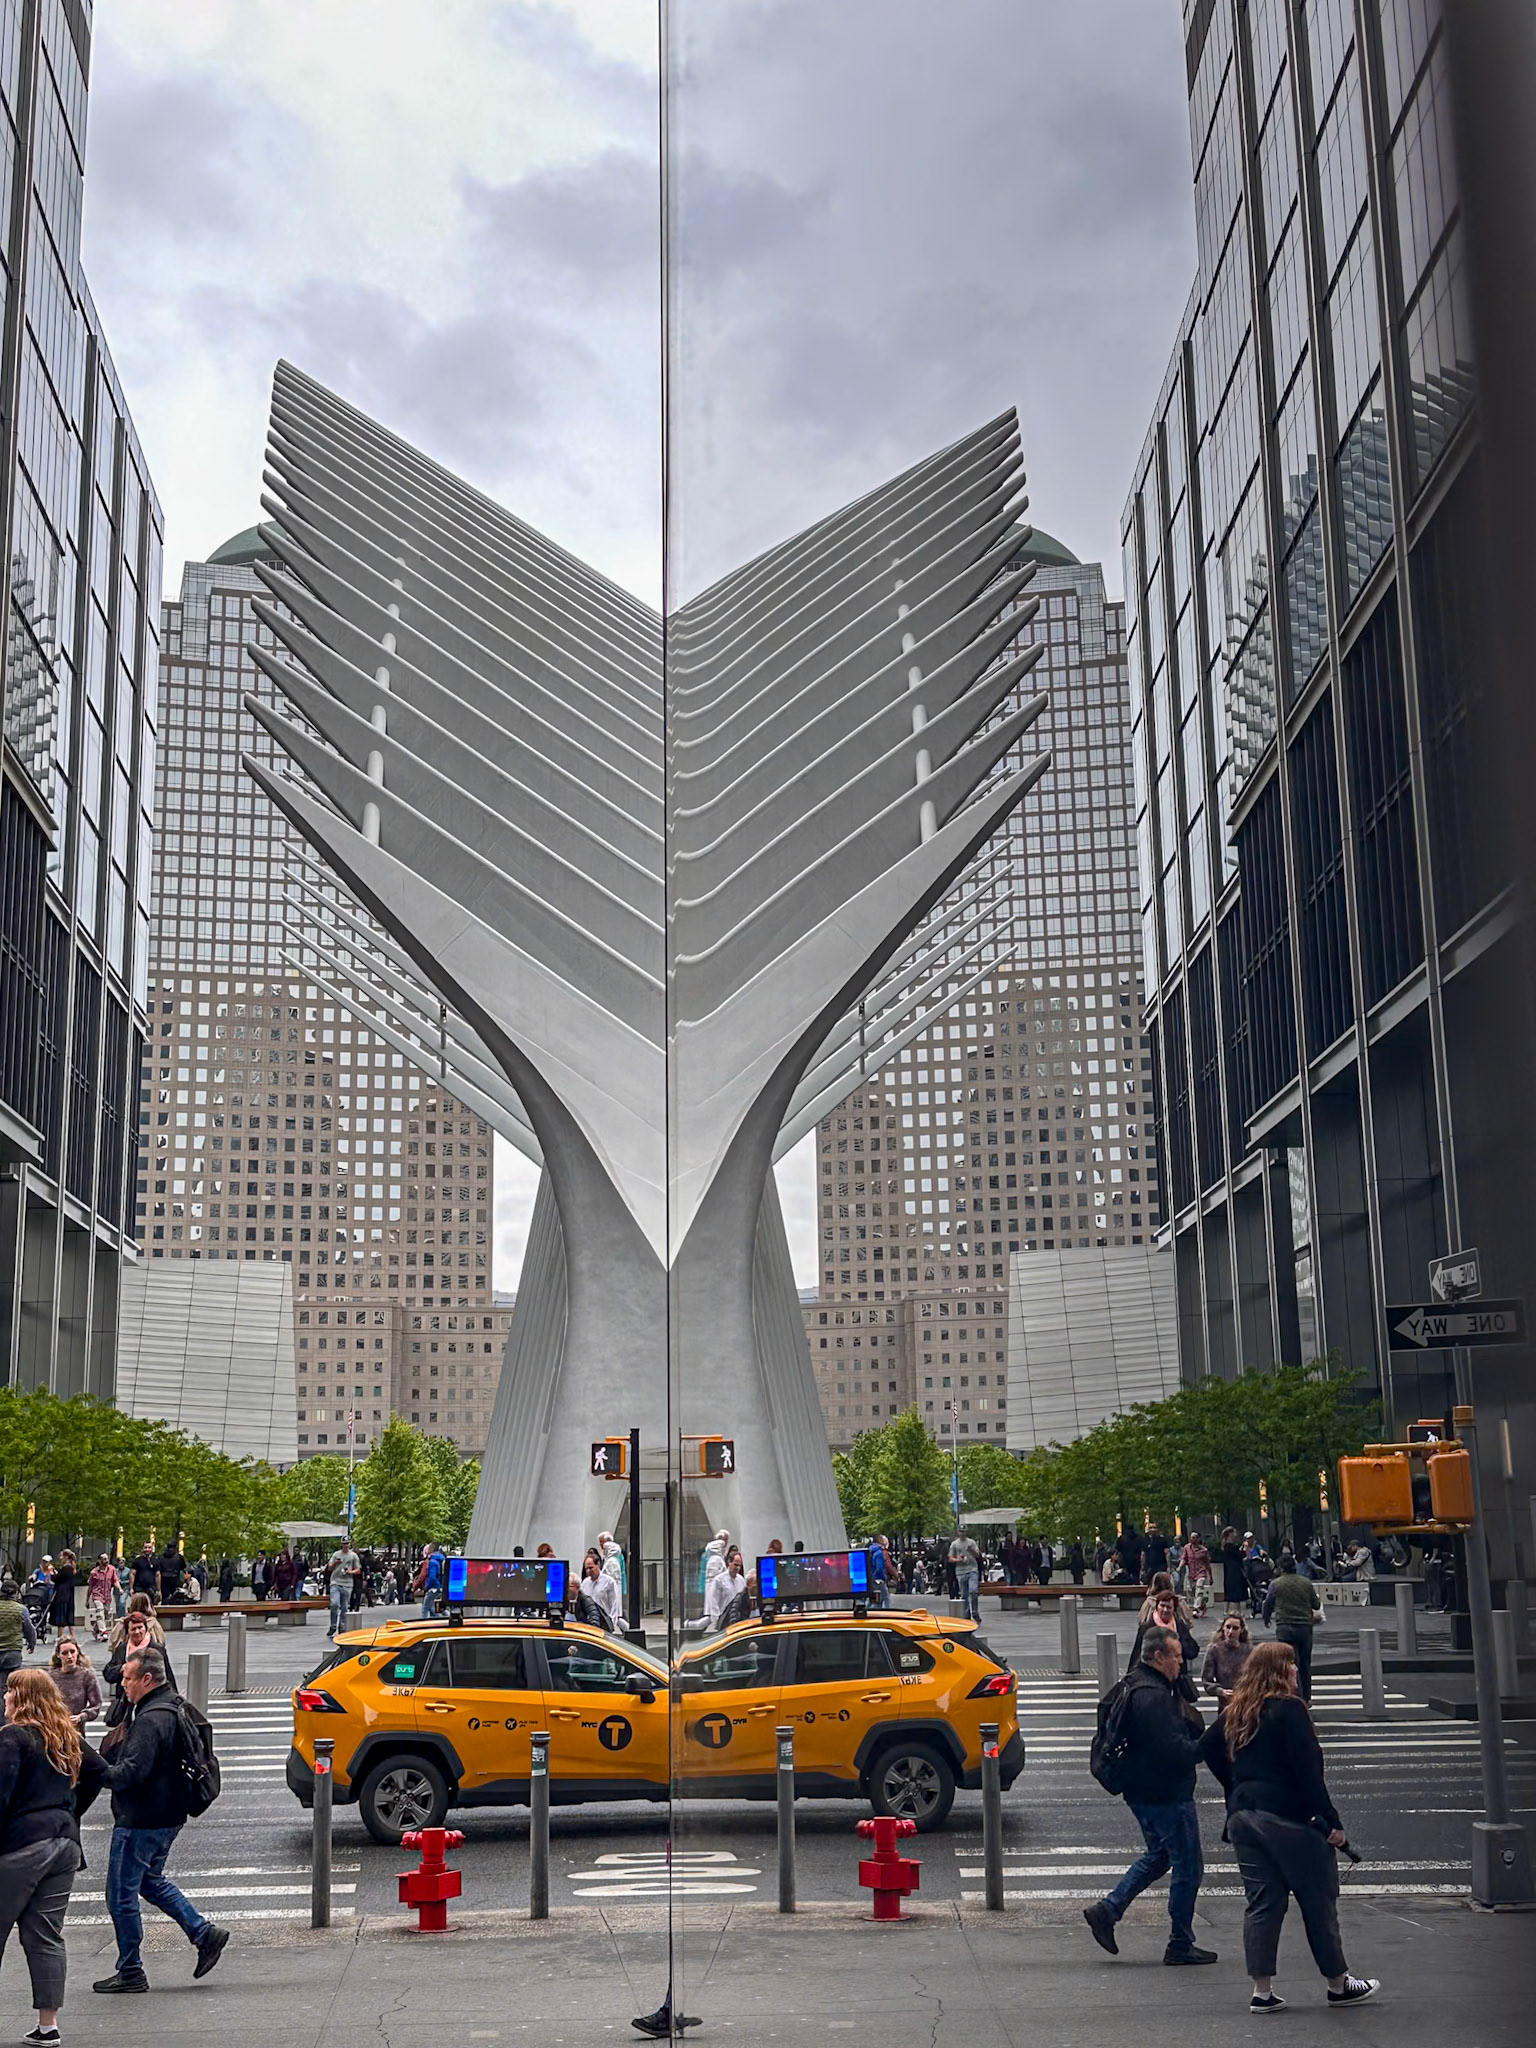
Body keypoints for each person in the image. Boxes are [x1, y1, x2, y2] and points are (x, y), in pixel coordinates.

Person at [1200, 1641, 1379, 2011]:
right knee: (1318, 1900)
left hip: (1244, 1818)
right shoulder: (1291, 1710)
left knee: (1263, 1902)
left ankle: (1262, 1991)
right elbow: (1309, 1773)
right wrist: (1332, 1823)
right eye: (1291, 1664)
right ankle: (1338, 1983)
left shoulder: (1238, 1709)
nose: (1296, 1670)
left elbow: (1205, 1747)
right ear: (1279, 1670)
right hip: (1289, 1820)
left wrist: (1235, 1784)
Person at [92, 1645, 228, 1995]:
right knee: (150, 1881)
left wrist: (93, 1767)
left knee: (120, 1896)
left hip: (142, 1818)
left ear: (147, 1679)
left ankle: (131, 1971)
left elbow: (129, 1774)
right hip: (168, 1814)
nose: (122, 1684)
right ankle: (204, 1933)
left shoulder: (152, 1720)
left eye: (127, 1678)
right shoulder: (172, 1705)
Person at [1083, 1624, 1215, 1966]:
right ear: (1158, 1657)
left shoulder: (1135, 1683)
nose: (1181, 1663)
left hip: (1142, 1790)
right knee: (1188, 1866)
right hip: (1164, 1793)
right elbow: (1178, 1752)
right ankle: (1180, 1943)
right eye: (1176, 1657)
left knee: (1160, 1855)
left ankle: (1107, 1910)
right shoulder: (1153, 1698)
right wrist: (1213, 1738)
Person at [0, 1665, 113, 2044]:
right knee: (45, 1935)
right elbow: (100, 1772)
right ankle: (47, 2027)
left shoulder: (13, 1737)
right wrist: (71, 1810)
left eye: (9, 1691)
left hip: (21, 1845)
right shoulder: (65, 1736)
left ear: (22, 1698)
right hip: (64, 1843)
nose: (5, 1697)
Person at [1262, 1551, 1324, 1702]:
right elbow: (1316, 1604)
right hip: (1304, 1627)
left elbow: (1267, 1603)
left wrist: (1266, 1619)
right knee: (1304, 1663)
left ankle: (1294, 1695)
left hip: (1285, 1627)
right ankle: (1307, 1698)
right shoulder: (1306, 1583)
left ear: (1280, 1568)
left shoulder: (1276, 1584)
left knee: (1288, 1663)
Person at [1130, 1584, 1200, 1694]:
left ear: (1174, 1609)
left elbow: (1193, 1651)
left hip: (1176, 1681)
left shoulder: (1179, 1626)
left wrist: (1177, 1642)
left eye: (1169, 1607)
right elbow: (1137, 1654)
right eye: (1162, 1606)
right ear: (1157, 1607)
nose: (1165, 1610)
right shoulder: (1147, 1627)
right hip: (1153, 1680)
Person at [48, 1640, 100, 1730]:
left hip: (76, 1728)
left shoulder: (87, 1675)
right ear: (58, 1655)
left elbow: (96, 1705)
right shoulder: (50, 1677)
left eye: (72, 1652)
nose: (69, 1656)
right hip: (54, 1728)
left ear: (78, 1652)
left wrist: (81, 1717)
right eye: (64, 1653)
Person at [1201, 1612, 1253, 1697]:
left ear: (1241, 1630)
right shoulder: (1214, 1650)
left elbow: (1256, 1676)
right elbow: (1206, 1680)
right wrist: (1220, 1691)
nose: (1230, 1631)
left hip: (1245, 1698)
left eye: (1235, 1628)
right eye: (1228, 1627)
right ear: (1223, 1627)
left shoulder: (1249, 1651)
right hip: (1225, 1700)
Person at [0, 1580, 37, 1690]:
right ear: (16, 1593)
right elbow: (29, 1630)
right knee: (14, 1686)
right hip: (13, 1652)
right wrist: (31, 1644)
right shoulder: (21, 1609)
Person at [704, 1546, 749, 1631]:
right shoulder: (719, 1580)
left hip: (738, 1620)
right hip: (724, 1620)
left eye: (739, 1565)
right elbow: (714, 1603)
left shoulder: (741, 1580)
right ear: (729, 1563)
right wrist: (717, 1622)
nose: (738, 1568)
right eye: (735, 1565)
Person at [325, 1538, 362, 1639]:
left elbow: (358, 1569)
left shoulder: (353, 1556)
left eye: (347, 1543)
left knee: (345, 1606)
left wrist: (350, 1572)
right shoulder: (336, 1554)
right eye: (344, 1543)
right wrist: (335, 1563)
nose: (346, 1545)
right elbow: (329, 1567)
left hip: (347, 1584)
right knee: (334, 1603)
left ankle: (342, 1626)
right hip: (335, 1582)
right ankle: (333, 1626)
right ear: (341, 1544)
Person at [578, 1550, 622, 1632]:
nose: (588, 1571)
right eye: (586, 1568)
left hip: (604, 1623)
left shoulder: (609, 1582)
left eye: (591, 1567)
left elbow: (614, 1606)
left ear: (598, 1564)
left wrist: (611, 1625)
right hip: (589, 1623)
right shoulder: (585, 1583)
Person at [948, 1530, 981, 1622]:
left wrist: (971, 1550)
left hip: (972, 1569)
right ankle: (966, 1614)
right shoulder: (954, 1544)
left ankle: (975, 1612)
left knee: (973, 1591)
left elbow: (978, 1555)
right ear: (958, 1532)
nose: (962, 1533)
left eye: (964, 1531)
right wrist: (958, 1559)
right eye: (960, 1531)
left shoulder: (971, 1542)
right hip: (960, 1571)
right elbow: (950, 1558)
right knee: (964, 1594)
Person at [85, 1555, 117, 1642]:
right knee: (100, 1612)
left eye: (107, 1558)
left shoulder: (112, 1569)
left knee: (105, 1614)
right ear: (99, 1560)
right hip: (97, 1595)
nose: (107, 1560)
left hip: (107, 1596)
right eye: (104, 1559)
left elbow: (115, 1580)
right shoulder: (94, 1572)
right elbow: (90, 1587)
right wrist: (87, 1600)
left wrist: (120, 1589)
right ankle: (103, 1632)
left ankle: (95, 1629)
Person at [1180, 1531, 1213, 1616]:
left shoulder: (1204, 1550)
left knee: (1199, 1590)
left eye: (1194, 1537)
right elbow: (1184, 1559)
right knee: (1193, 1591)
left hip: (1201, 1572)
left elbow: (1207, 1564)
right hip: (1191, 1574)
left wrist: (1210, 1576)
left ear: (1198, 1539)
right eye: (1191, 1537)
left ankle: (1196, 1608)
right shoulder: (1186, 1548)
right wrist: (1179, 1567)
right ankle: (1203, 1605)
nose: (1192, 1539)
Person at [1219, 1527, 1246, 1609]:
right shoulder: (1230, 1546)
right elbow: (1239, 1555)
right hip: (1234, 1570)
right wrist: (1243, 1550)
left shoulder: (1226, 1546)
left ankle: (1227, 1609)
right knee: (1236, 1590)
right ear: (1230, 1534)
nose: (1236, 1535)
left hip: (1229, 1569)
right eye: (1234, 1533)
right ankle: (1237, 1610)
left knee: (1230, 1590)